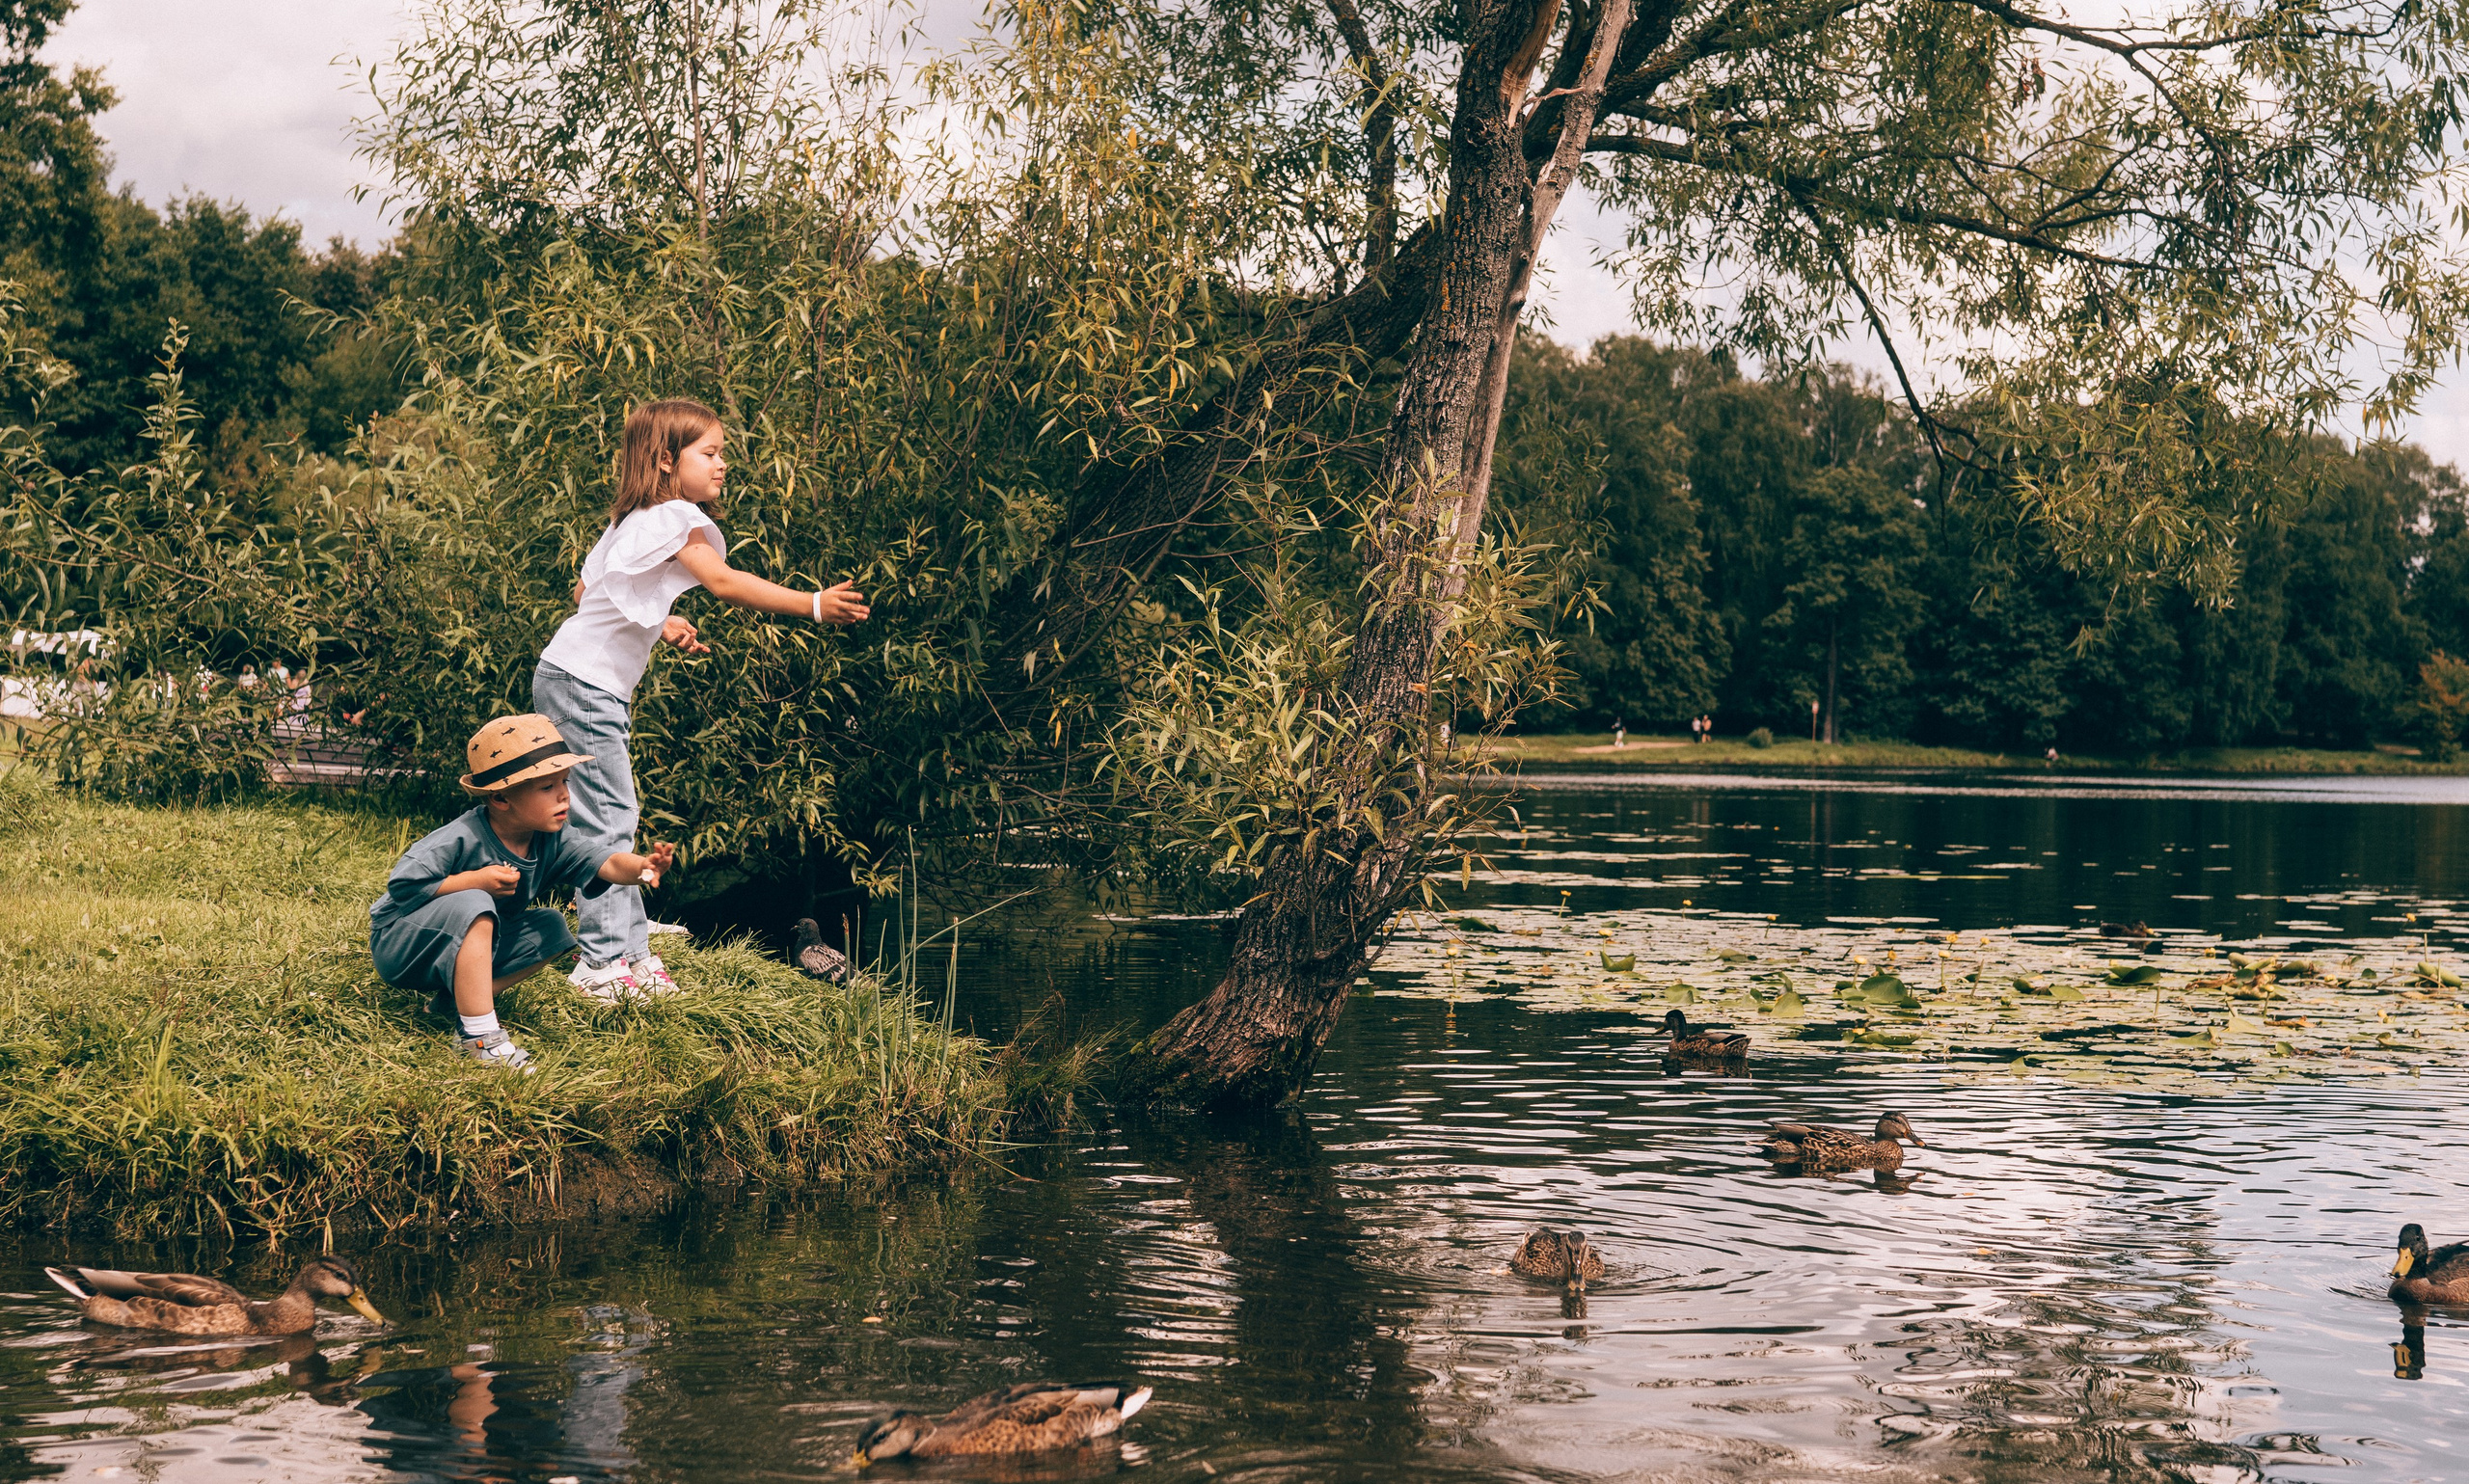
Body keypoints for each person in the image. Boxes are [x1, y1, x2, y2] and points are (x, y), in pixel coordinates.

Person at [532, 398, 869, 1000]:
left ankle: (630, 947)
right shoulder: (672, 517)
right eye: (709, 453)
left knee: (614, 811)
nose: (722, 465)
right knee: (608, 817)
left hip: (572, 677)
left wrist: (657, 620)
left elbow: (589, 590)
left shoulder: (632, 517)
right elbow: (722, 581)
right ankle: (601, 963)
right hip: (586, 687)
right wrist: (813, 604)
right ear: (666, 461)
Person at [369, 715, 677, 1069]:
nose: (564, 794)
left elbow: (606, 862)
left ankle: (456, 1004)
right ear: (501, 798)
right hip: (401, 943)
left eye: (564, 781)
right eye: (547, 787)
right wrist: (475, 881)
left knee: (551, 927)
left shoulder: (552, 839)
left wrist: (643, 868)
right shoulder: (460, 837)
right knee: (475, 901)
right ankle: (479, 1037)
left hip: (463, 945)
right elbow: (404, 886)